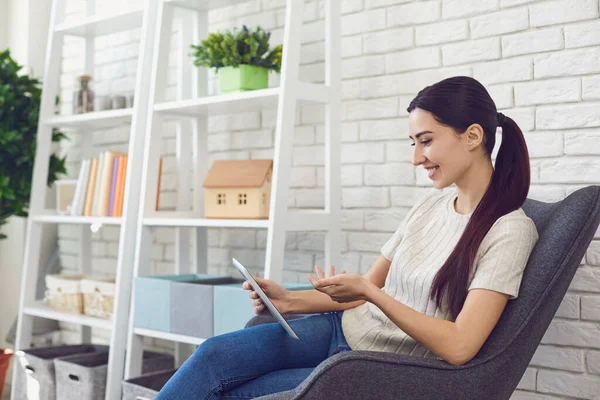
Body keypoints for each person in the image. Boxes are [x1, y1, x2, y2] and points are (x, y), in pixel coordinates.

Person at [155, 76, 539, 399]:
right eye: (413, 143)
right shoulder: (429, 208)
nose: (416, 158)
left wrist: (373, 294)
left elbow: (459, 346)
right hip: (339, 330)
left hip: (369, 369)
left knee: (235, 392)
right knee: (212, 356)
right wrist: (289, 301)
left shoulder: (509, 230)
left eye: (426, 140)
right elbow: (364, 289)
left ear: (472, 136)